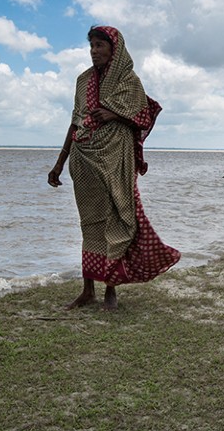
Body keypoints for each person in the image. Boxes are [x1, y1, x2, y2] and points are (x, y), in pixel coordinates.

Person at [48, 25, 180, 310]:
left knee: (116, 220)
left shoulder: (129, 81)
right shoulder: (82, 80)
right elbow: (75, 121)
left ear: (114, 49)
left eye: (100, 45)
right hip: (83, 159)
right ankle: (88, 290)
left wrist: (113, 113)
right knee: (90, 223)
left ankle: (110, 290)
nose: (94, 51)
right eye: (92, 45)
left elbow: (144, 114)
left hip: (114, 159)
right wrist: (59, 163)